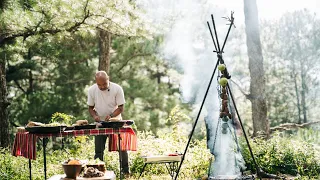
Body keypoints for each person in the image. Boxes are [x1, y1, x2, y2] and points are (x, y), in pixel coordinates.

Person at [87, 71, 130, 174]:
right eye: (99, 85)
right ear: (96, 82)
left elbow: (121, 107)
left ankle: (125, 171)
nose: (102, 87)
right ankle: (97, 172)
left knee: (122, 148)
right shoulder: (92, 90)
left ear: (108, 79)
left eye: (104, 84)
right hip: (100, 123)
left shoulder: (117, 88)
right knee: (98, 150)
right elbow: (90, 108)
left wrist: (111, 116)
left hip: (115, 122)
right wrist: (95, 116)